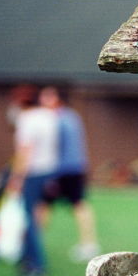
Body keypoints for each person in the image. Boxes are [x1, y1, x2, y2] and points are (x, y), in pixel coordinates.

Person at [37, 87, 100, 262]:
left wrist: (50, 174)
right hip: (76, 168)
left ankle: (35, 243)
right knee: (71, 205)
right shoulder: (72, 116)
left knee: (46, 205)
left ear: (57, 99)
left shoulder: (55, 120)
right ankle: (89, 243)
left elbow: (54, 148)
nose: (43, 101)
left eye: (47, 97)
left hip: (61, 170)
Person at [6, 85, 59, 276]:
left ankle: (36, 266)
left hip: (33, 174)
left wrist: (17, 177)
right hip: (49, 172)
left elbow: (25, 151)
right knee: (37, 218)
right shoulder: (48, 116)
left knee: (29, 219)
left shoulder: (26, 120)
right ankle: (25, 256)